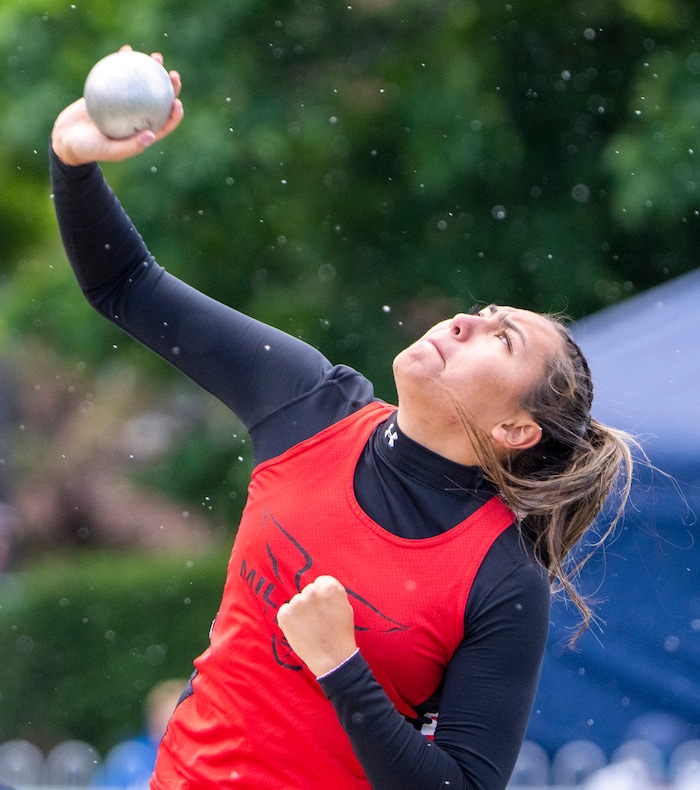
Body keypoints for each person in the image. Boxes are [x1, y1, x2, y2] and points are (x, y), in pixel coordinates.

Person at [49, 48, 635, 790]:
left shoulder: (502, 578)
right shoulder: (310, 402)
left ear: (517, 430)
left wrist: (341, 665)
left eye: (501, 337)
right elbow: (126, 286)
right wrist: (73, 163)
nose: (464, 322)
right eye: (480, 313)